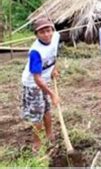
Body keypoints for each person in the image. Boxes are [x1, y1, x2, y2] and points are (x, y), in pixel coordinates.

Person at [21, 17, 60, 152]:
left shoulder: (55, 37)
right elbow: (37, 79)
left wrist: (54, 69)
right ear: (36, 35)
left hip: (45, 80)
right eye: (42, 32)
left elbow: (55, 55)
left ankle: (49, 135)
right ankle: (37, 144)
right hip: (33, 84)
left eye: (48, 30)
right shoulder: (35, 52)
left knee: (47, 109)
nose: (47, 35)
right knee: (37, 113)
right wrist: (52, 94)